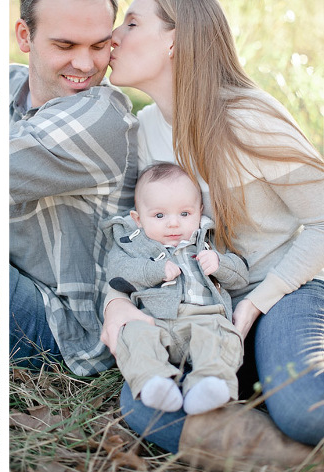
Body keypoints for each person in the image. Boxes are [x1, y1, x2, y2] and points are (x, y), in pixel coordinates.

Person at [102, 0, 324, 468]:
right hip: (202, 307)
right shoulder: (146, 130)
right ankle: (279, 457)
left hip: (286, 289)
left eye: (133, 22)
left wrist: (256, 302)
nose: (113, 35)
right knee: (144, 401)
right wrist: (117, 302)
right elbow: (144, 235)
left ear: (175, 42)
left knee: (306, 411)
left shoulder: (247, 118)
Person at [9, 0, 139, 375]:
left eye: (99, 46)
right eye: (65, 46)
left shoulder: (104, 116)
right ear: (24, 36)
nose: (85, 65)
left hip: (63, 325)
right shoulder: (11, 86)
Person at [107, 163, 248, 415]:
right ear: (138, 219)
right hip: (156, 321)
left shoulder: (207, 241)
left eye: (185, 214)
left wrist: (219, 264)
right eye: (160, 216)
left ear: (199, 211)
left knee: (221, 336)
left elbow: (241, 276)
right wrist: (154, 271)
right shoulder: (135, 245)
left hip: (206, 317)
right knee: (133, 333)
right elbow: (117, 272)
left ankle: (208, 384)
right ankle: (154, 382)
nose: (174, 224)